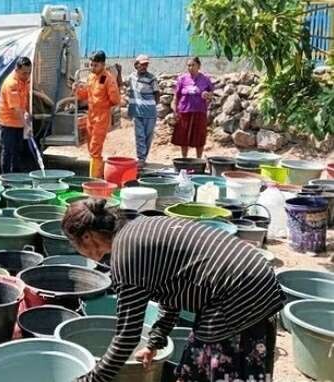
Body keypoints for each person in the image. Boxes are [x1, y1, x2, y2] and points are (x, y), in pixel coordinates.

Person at [62, 199, 284, 382]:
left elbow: (127, 335)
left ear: (87, 237)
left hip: (237, 290)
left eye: (75, 245)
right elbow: (172, 290)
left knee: (207, 366)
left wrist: (91, 380)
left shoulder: (125, 256)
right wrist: (154, 342)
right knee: (209, 358)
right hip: (257, 278)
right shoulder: (137, 228)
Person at [74, 51, 121, 178]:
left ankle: (94, 179)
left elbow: (115, 99)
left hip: (102, 117)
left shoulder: (108, 79)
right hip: (90, 116)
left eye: (96, 65)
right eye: (91, 65)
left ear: (103, 64)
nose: (92, 68)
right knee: (91, 147)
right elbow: (85, 95)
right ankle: (97, 175)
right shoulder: (91, 77)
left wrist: (103, 106)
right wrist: (76, 89)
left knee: (95, 148)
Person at [172, 57, 214, 159]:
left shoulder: (205, 79)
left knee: (199, 136)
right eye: (189, 65)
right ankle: (184, 158)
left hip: (200, 111)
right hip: (184, 111)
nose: (190, 68)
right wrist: (175, 110)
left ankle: (198, 159)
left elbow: (211, 94)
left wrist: (207, 95)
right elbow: (176, 96)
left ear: (199, 66)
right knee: (183, 136)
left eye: (193, 65)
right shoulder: (182, 79)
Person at [0, 56, 32, 173]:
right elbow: (16, 109)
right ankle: (5, 178)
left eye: (29, 73)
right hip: (8, 122)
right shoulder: (11, 84)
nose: (27, 76)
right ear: (17, 70)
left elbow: (24, 102)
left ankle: (16, 176)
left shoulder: (24, 81)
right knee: (8, 151)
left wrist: (26, 112)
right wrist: (27, 126)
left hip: (18, 122)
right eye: (24, 73)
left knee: (17, 150)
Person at [126, 55, 159, 168]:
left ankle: (143, 157)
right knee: (140, 135)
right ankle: (141, 158)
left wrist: (151, 105)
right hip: (137, 112)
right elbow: (121, 84)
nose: (144, 67)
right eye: (142, 64)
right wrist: (119, 71)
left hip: (150, 112)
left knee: (147, 136)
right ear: (136, 65)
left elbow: (157, 94)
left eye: (146, 64)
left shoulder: (151, 78)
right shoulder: (131, 77)